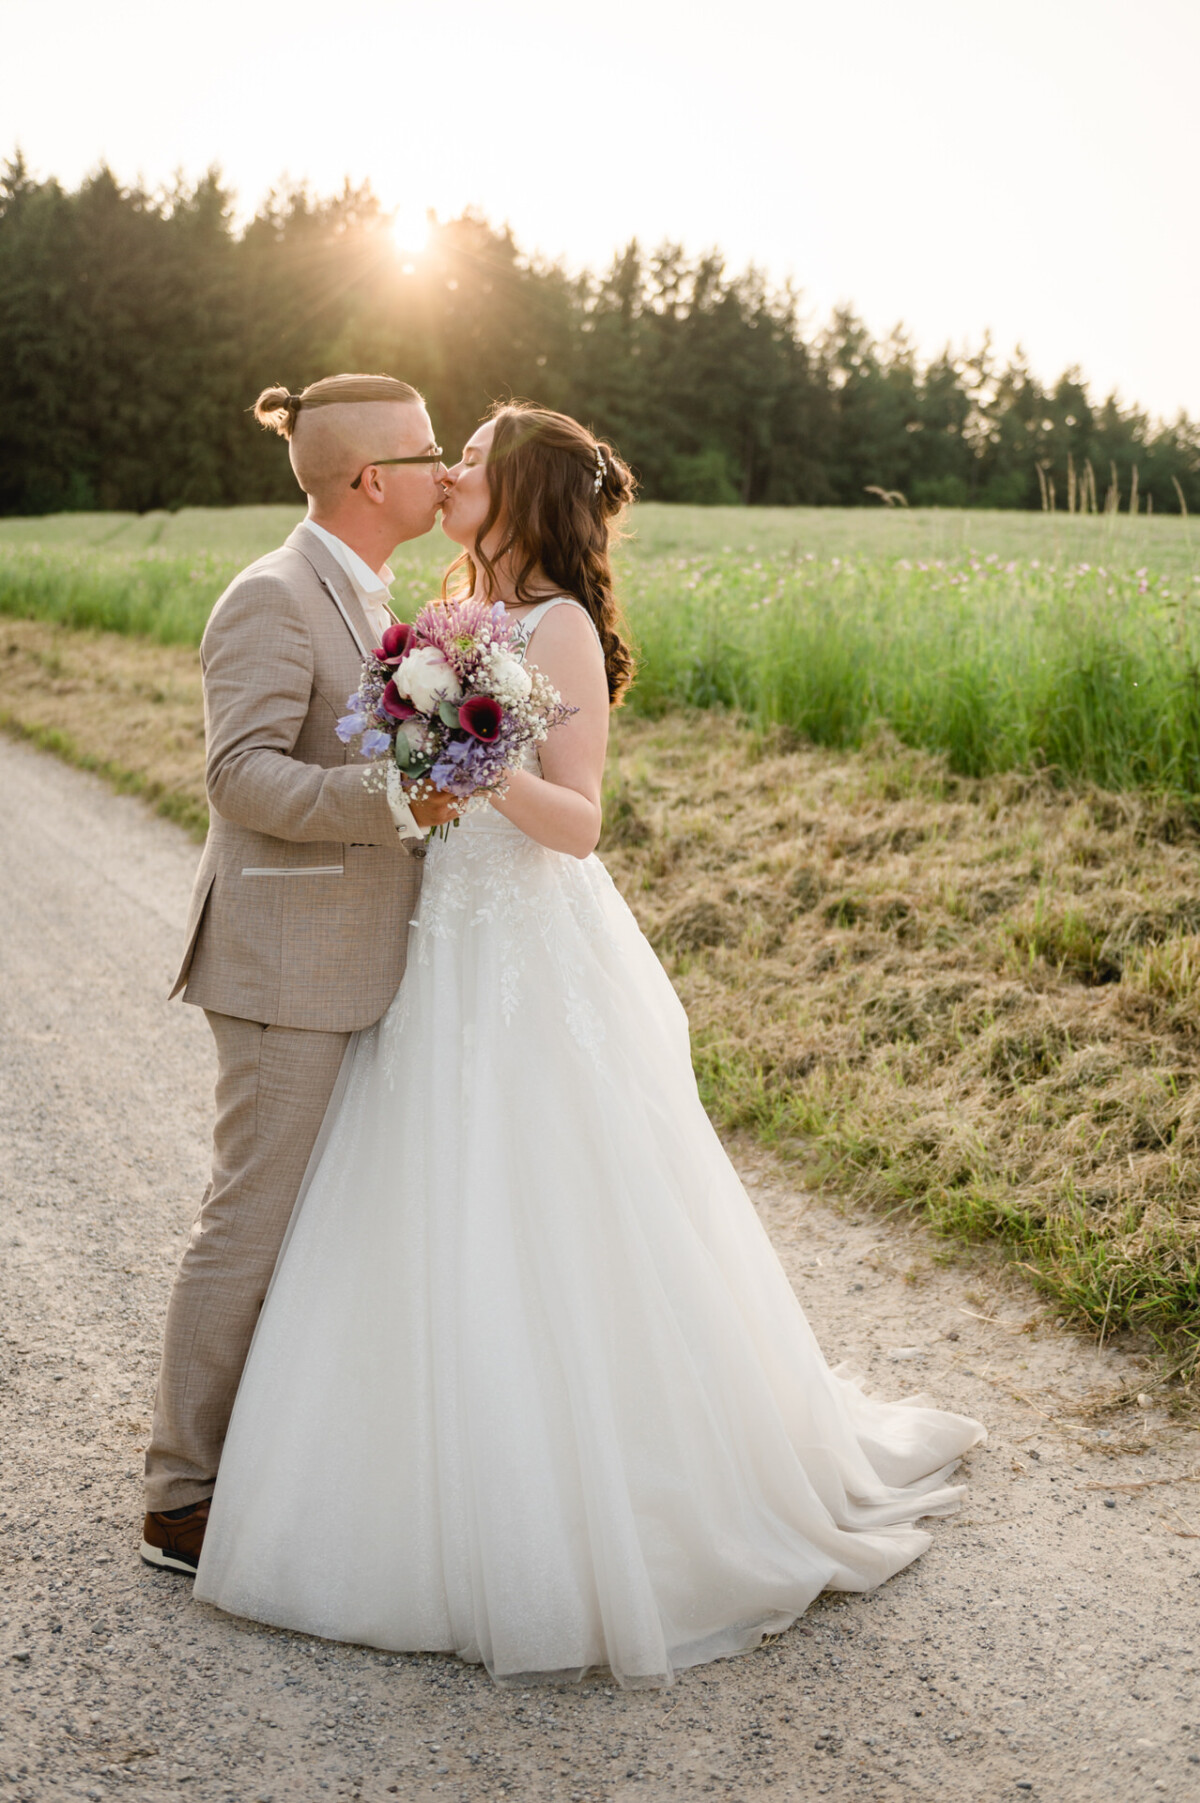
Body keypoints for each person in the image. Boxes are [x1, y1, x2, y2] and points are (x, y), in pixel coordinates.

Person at [193, 402, 984, 1687]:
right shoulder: (454, 610)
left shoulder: (552, 621)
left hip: (527, 947)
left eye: (473, 460)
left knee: (552, 1197)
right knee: (418, 1198)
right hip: (440, 939)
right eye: (444, 457)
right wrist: (423, 743)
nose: (451, 472)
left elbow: (579, 824)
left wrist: (476, 752)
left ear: (518, 492)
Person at [141, 374, 456, 1574]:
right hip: (285, 964)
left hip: (356, 956)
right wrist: (393, 801)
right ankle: (182, 1495)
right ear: (374, 479)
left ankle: (274, 1456)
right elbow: (239, 776)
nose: (442, 473)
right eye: (428, 455)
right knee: (251, 1226)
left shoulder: (372, 594)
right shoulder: (272, 598)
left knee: (312, 1228)